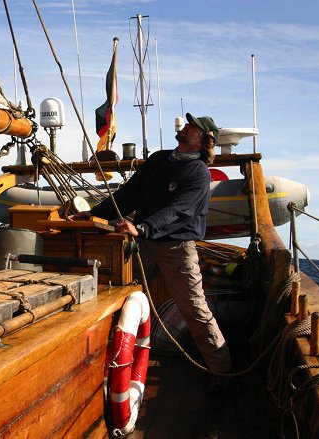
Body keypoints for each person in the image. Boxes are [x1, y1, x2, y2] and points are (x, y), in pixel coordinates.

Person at [74, 113, 232, 389]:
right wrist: (92, 214)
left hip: (177, 249)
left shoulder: (198, 174)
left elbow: (179, 210)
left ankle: (222, 371)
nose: (186, 128)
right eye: (189, 124)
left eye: (193, 127)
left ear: (202, 140)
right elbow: (127, 194)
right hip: (144, 245)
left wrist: (143, 227)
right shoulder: (160, 159)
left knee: (195, 309)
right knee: (118, 297)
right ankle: (108, 362)